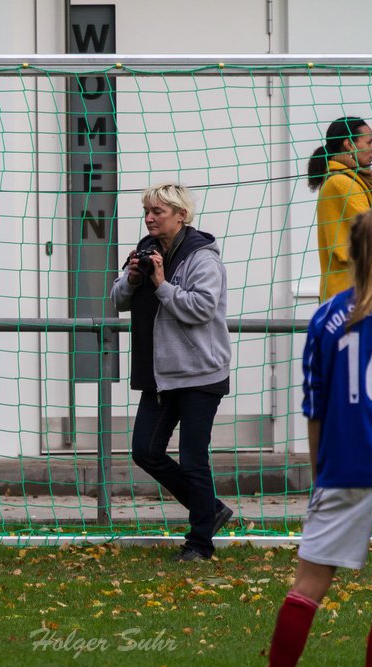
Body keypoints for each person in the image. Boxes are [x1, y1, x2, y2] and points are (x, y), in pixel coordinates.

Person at [245, 208, 372, 667]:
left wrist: (321, 472)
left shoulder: (324, 318)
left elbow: (315, 407)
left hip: (341, 470)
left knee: (306, 587)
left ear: (348, 251)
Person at [110, 182, 234, 562]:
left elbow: (200, 309)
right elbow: (116, 299)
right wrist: (133, 278)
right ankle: (210, 509)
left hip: (200, 373)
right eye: (147, 211)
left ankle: (199, 543)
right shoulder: (147, 251)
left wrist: (162, 285)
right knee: (145, 450)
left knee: (194, 457)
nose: (149, 218)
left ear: (181, 215)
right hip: (161, 374)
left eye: (157, 212)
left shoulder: (203, 258)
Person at [308, 116, 372, 302]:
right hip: (349, 296)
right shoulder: (341, 183)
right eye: (369, 141)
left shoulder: (351, 181)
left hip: (355, 293)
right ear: (349, 144)